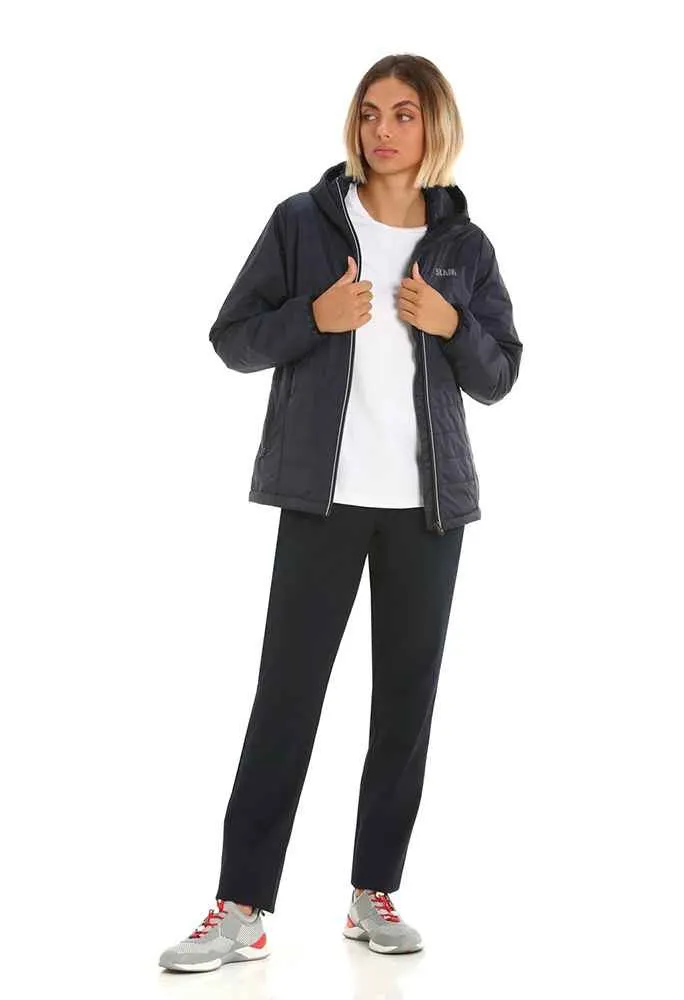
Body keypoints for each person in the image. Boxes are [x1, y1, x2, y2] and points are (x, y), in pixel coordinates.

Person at [159, 53, 522, 974]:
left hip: (429, 512)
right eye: (369, 113)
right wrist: (314, 317)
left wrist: (451, 325)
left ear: (434, 126)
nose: (382, 131)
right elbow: (233, 338)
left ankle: (373, 892)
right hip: (321, 499)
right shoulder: (303, 223)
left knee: (405, 709)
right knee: (286, 700)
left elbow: (500, 375)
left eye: (403, 114)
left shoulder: (465, 248)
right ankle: (241, 907)